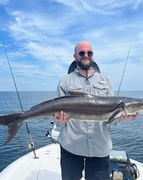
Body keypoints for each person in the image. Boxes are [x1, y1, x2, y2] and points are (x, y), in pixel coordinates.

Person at [53, 41, 137, 180]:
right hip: (71, 145)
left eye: (89, 53)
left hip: (100, 147)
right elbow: (59, 116)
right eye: (82, 53)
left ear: (93, 55)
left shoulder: (106, 81)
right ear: (75, 56)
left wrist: (120, 118)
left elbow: (111, 119)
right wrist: (59, 121)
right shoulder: (65, 82)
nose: (86, 55)